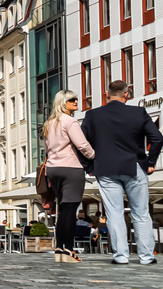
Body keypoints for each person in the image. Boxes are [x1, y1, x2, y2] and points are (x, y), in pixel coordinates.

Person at [80, 78, 163, 266]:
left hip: (106, 168)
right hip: (134, 166)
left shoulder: (93, 115)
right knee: (141, 213)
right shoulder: (138, 113)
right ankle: (146, 257)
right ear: (127, 94)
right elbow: (157, 138)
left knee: (114, 214)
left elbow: (81, 144)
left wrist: (89, 166)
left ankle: (121, 256)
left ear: (107, 95)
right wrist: (150, 162)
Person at [42, 89, 94, 263]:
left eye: (76, 99)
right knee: (70, 210)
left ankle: (59, 248)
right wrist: (94, 156)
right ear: (63, 103)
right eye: (72, 100)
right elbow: (82, 145)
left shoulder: (49, 123)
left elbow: (48, 149)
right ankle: (69, 250)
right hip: (71, 168)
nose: (76, 102)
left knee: (63, 210)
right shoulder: (70, 121)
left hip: (53, 169)